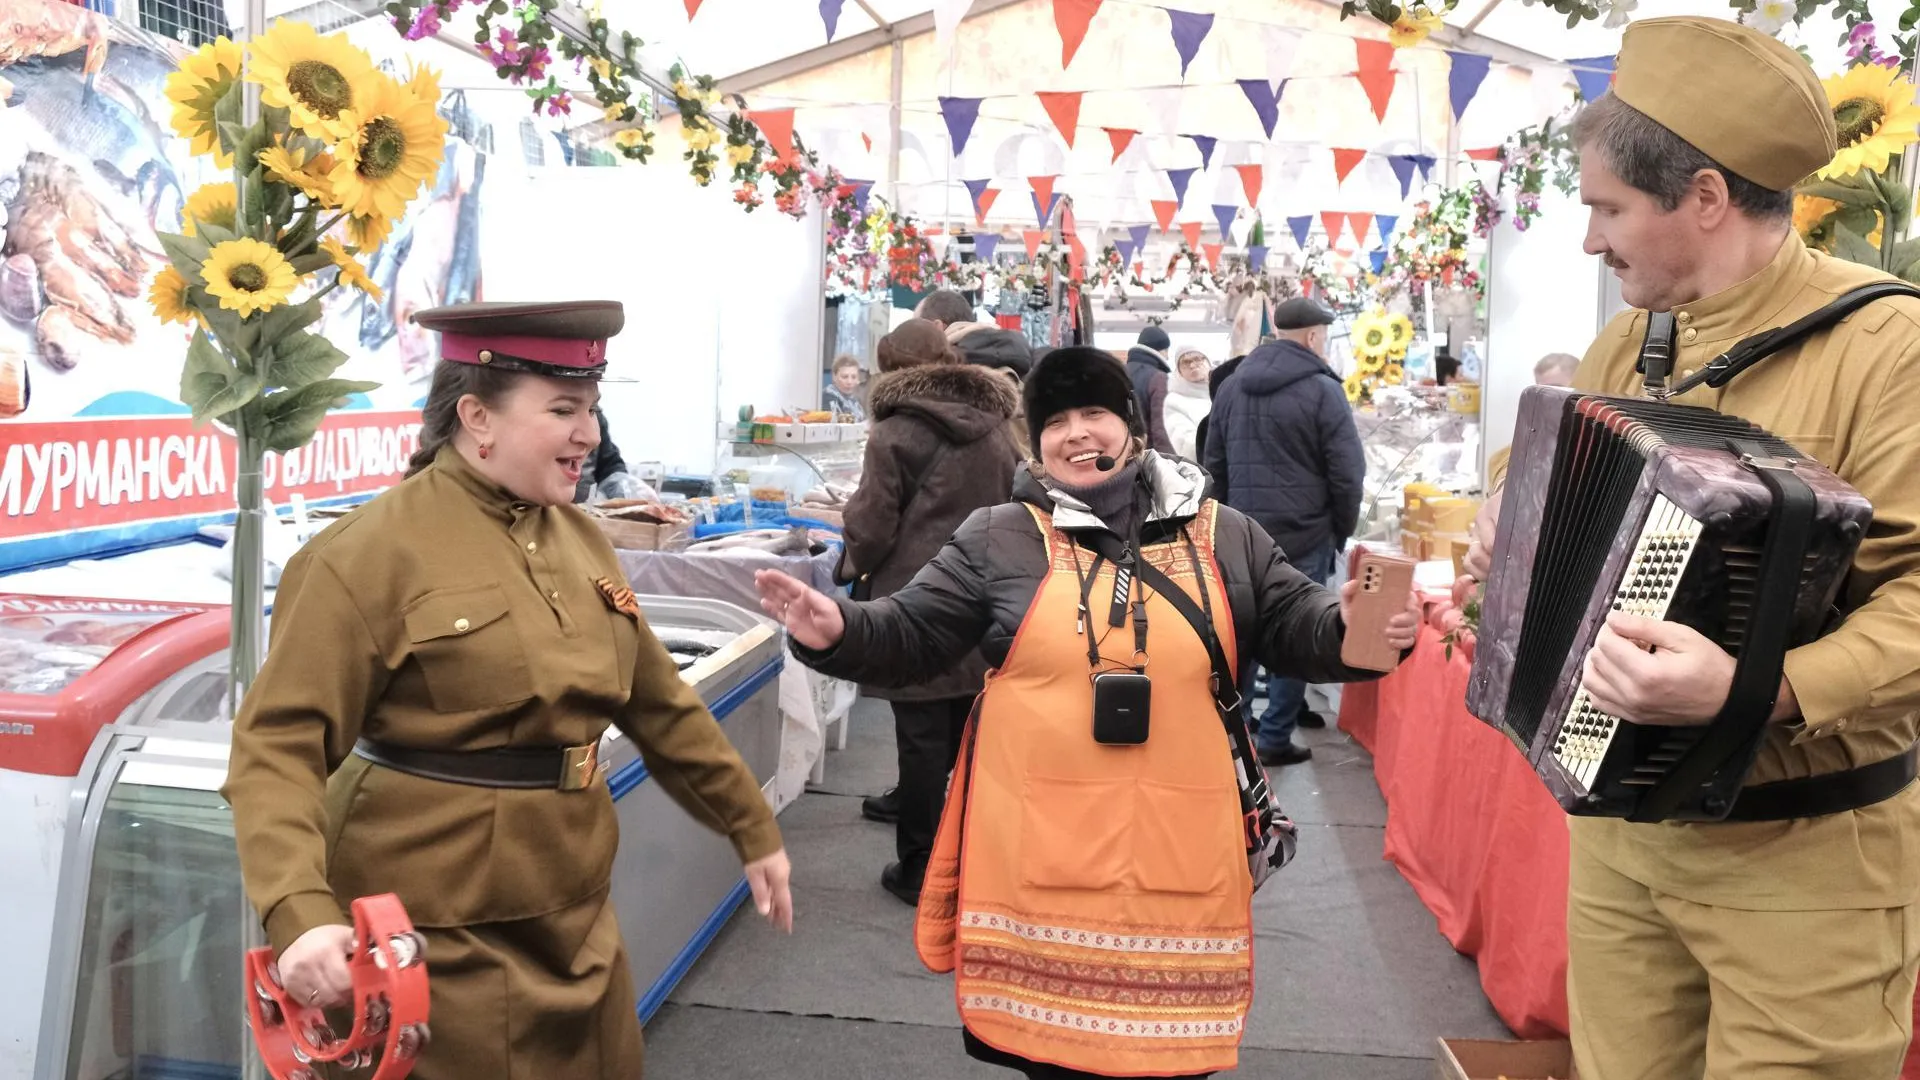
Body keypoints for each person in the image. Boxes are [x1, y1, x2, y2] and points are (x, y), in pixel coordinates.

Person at [753, 346, 1421, 1080]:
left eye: (1095, 413)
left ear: (1131, 427)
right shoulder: (996, 535)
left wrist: (1353, 627)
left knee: (1169, 1061)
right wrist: (839, 631)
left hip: (1180, 852)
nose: (1078, 433)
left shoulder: (1224, 533)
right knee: (1053, 1062)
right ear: (1034, 441)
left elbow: (1298, 623)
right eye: (1057, 421)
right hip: (1039, 865)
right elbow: (913, 632)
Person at [1463, 18, 1920, 1078]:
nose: (1590, 240)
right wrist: (1508, 509)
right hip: (1619, 844)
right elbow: (1553, 448)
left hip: (1805, 867)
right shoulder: (1634, 335)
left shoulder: (1890, 348)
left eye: (1608, 208)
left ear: (1705, 198)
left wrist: (1759, 686)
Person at [221, 301, 795, 1079]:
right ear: (475, 417)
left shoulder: (582, 538)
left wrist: (749, 824)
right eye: (562, 409)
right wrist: (298, 914)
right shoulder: (364, 556)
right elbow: (275, 751)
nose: (589, 434)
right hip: (427, 938)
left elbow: (658, 704)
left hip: (577, 912)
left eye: (591, 408)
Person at [835, 338, 1021, 904]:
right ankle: (972, 859)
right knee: (973, 734)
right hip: (987, 594)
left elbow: (871, 523)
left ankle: (919, 867)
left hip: (917, 599)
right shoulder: (996, 426)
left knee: (919, 738)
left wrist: (852, 566)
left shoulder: (894, 432)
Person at [1204, 297, 1366, 766]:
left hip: (1240, 534)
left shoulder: (1232, 386)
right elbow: (1346, 472)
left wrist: (1221, 523)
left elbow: (1213, 463)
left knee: (1243, 630)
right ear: (1315, 337)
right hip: (1305, 531)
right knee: (1298, 626)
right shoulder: (1322, 389)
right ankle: (1275, 735)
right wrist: (1341, 528)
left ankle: (1239, 729)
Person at [573, 404, 653, 504]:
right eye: (563, 411)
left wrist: (623, 484)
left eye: (592, 410)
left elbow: (609, 463)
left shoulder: (597, 419)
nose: (595, 439)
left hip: (588, 509)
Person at [1124, 325, 1176, 454]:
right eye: (1166, 351)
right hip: (1145, 457)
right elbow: (1161, 428)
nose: (1167, 357)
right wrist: (1168, 464)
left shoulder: (1118, 373)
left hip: (1120, 454)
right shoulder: (1158, 378)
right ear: (1159, 350)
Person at [1163, 346, 1212, 461]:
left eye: (1197, 359)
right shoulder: (1174, 401)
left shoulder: (1223, 390)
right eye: (1185, 362)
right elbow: (1185, 444)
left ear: (1208, 362)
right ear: (1178, 371)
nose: (1192, 365)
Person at [823, 353, 867, 420]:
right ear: (834, 377)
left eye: (854, 377)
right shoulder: (828, 397)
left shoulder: (856, 400)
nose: (849, 382)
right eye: (845, 377)